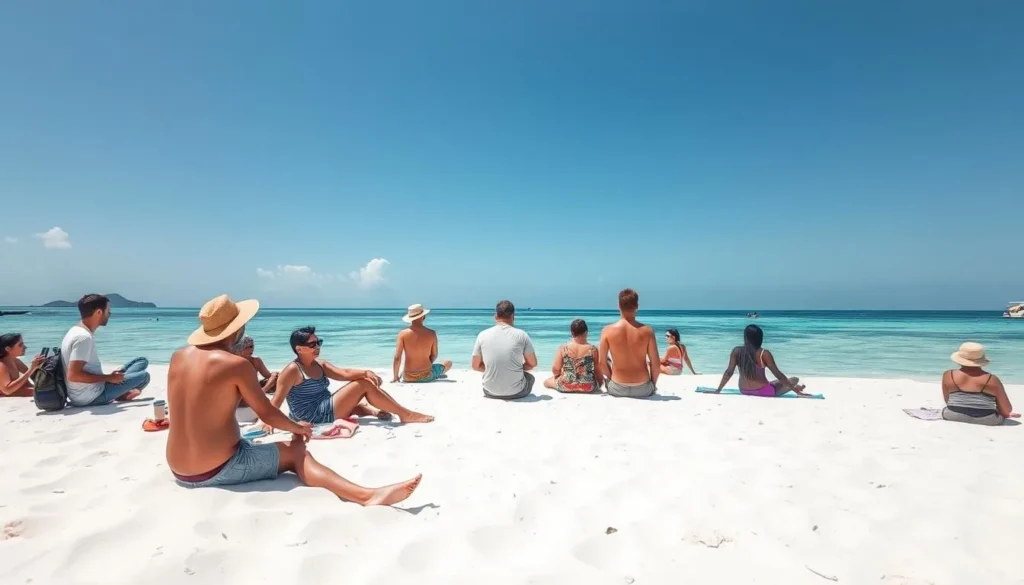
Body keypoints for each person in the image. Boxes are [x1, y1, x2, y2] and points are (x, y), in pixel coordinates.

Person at [166, 294, 422, 505]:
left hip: (177, 466)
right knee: (298, 454)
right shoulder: (236, 365)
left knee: (281, 441)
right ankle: (367, 496)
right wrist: (299, 429)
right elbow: (267, 413)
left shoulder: (178, 358)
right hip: (216, 468)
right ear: (237, 329)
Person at [269, 326, 434, 427]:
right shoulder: (292, 370)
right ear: (299, 349)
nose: (317, 346)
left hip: (325, 406)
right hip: (313, 416)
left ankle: (372, 412)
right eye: (312, 344)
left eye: (319, 342)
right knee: (363, 385)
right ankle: (405, 414)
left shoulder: (320, 364)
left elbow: (344, 374)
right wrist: (266, 422)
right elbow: (276, 401)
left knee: (361, 388)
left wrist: (366, 371)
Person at [61, 294, 150, 407]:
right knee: (144, 376)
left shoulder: (75, 330)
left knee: (141, 361)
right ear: (99, 312)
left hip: (91, 388)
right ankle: (121, 395)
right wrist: (108, 378)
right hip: (90, 396)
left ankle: (119, 388)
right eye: (108, 311)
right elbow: (73, 375)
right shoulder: (83, 338)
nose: (110, 315)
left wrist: (109, 378)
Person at [712, 324, 811, 397]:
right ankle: (797, 388)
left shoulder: (736, 351)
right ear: (760, 338)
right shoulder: (764, 353)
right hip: (764, 391)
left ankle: (796, 387)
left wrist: (718, 390)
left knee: (776, 382)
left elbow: (729, 372)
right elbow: (778, 374)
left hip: (743, 390)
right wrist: (797, 393)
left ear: (745, 338)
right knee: (794, 379)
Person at [599, 289, 659, 398]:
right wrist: (653, 385)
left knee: (607, 359)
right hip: (643, 389)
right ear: (637, 306)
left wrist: (612, 378)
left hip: (617, 388)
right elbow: (656, 365)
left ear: (618, 306)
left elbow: (601, 363)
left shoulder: (607, 331)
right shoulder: (648, 331)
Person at [472, 300, 538, 400]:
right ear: (513, 316)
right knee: (530, 378)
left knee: (488, 376)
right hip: (517, 392)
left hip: (490, 391)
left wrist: (493, 369)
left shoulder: (482, 335)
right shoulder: (522, 335)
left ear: (496, 316)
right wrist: (515, 369)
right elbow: (532, 363)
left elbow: (475, 366)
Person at [941, 342, 1016, 426]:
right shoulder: (992, 379)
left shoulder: (948, 375)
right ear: (981, 360)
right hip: (988, 419)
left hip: (952, 415)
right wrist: (1004, 414)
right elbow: (1007, 409)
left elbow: (948, 400)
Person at [392, 304, 452, 383]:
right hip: (427, 375)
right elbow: (434, 355)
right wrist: (426, 365)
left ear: (410, 318)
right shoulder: (432, 333)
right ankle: (436, 373)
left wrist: (396, 377)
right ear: (423, 317)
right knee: (448, 363)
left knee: (403, 372)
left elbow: (397, 357)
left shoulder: (402, 334)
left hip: (408, 377)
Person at [543, 319, 601, 393]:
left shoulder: (563, 348)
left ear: (572, 333)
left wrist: (558, 376)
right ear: (586, 332)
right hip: (588, 387)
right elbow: (597, 371)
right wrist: (600, 382)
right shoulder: (593, 349)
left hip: (566, 386)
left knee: (546, 382)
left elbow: (555, 369)